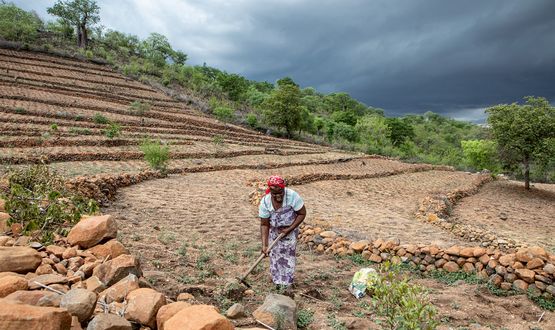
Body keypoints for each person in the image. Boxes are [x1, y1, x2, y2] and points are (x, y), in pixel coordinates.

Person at [259, 175, 307, 290]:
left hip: (289, 231)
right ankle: (277, 281)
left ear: (284, 188)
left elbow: (302, 213)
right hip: (274, 232)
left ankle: (287, 283)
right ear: (270, 191)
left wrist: (289, 229)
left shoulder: (292, 196)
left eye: (280, 192)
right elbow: (264, 224)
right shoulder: (265, 202)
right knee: (275, 256)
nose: (278, 195)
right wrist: (265, 245)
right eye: (274, 194)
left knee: (288, 256)